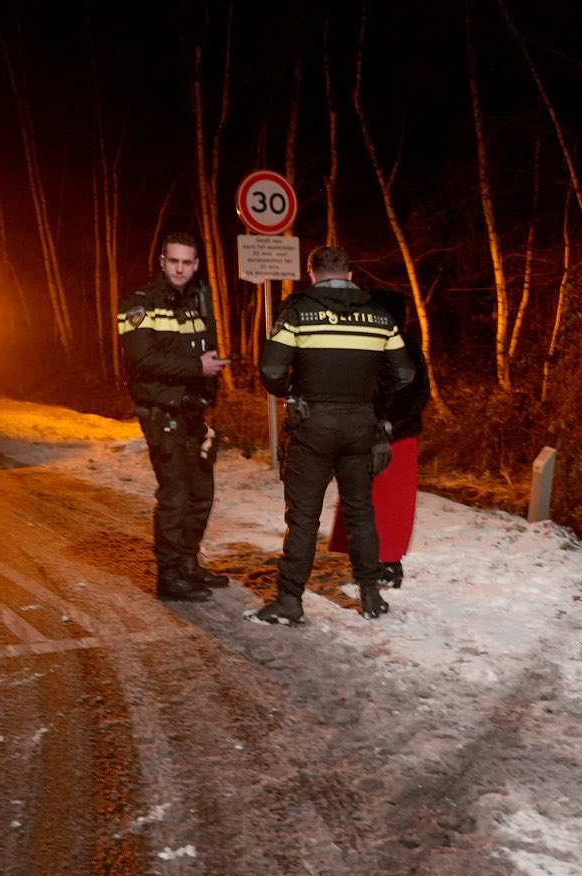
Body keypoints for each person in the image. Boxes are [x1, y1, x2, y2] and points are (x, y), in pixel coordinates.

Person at [250, 245, 415, 625]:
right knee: (360, 513)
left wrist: (291, 394)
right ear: (351, 275)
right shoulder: (379, 316)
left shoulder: (298, 312)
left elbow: (271, 369)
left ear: (312, 274)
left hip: (313, 427)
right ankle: (371, 596)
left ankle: (290, 600)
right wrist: (375, 397)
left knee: (304, 519)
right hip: (360, 427)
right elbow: (404, 374)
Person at [117, 230, 231, 602]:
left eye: (187, 262)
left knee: (202, 493)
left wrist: (207, 393)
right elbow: (142, 359)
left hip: (194, 413)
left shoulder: (196, 304)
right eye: (174, 261)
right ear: (162, 261)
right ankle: (169, 577)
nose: (180, 269)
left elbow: (208, 356)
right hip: (162, 412)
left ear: (196, 265)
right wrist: (196, 368)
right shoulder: (139, 304)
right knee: (176, 495)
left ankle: (188, 563)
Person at [328, 291, 429, 589]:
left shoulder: (404, 347)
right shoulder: (368, 343)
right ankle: (367, 557)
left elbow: (417, 393)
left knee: (389, 503)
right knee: (362, 497)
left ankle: (388, 564)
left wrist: (389, 424)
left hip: (395, 438)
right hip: (365, 434)